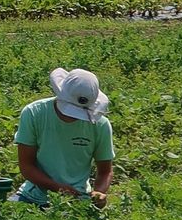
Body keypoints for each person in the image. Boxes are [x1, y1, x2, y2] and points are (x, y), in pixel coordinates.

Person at [11, 66, 114, 210]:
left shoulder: (100, 125)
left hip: (79, 200)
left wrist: (99, 192)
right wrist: (57, 188)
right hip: (32, 196)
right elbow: (26, 166)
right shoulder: (34, 113)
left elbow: (105, 171)